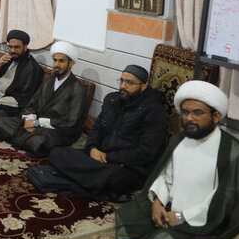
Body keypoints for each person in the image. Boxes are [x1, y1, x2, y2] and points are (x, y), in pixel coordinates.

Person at [115, 81, 239, 239]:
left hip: (203, 220)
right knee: (125, 217)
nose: (189, 118)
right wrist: (158, 202)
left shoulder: (232, 151)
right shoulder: (181, 138)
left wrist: (183, 217)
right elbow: (166, 175)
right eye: (185, 112)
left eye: (197, 113)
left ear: (216, 116)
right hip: (169, 208)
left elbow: (224, 200)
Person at [33, 65, 168, 201]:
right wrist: (92, 148)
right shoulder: (113, 100)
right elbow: (97, 129)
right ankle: (91, 185)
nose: (123, 86)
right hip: (98, 157)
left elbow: (146, 152)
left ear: (143, 86)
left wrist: (108, 157)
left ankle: (80, 181)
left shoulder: (154, 111)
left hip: (126, 166)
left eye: (129, 83)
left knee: (112, 176)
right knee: (57, 153)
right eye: (121, 81)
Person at [0, 41, 87, 158]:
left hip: (57, 130)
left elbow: (71, 123)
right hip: (37, 123)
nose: (56, 64)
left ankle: (12, 136)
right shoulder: (50, 80)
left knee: (40, 140)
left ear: (71, 63)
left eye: (61, 61)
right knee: (2, 121)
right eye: (55, 60)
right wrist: (30, 119)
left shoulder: (77, 89)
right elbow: (33, 102)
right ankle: (23, 140)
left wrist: (38, 123)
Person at [0, 29, 45, 123]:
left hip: (8, 104)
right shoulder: (8, 58)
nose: (12, 50)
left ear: (25, 47)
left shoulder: (32, 69)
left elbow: (22, 99)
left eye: (17, 47)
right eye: (10, 47)